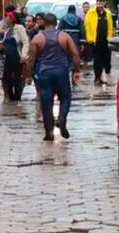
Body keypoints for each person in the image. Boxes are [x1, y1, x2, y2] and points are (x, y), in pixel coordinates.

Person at [26, 13, 81, 141]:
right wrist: (77, 70)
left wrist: (28, 76)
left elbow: (31, 59)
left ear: (43, 23)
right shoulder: (64, 36)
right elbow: (75, 54)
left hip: (44, 72)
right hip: (61, 71)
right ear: (56, 23)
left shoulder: (37, 38)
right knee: (66, 97)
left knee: (46, 100)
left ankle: (49, 132)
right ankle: (62, 118)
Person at [2, 10, 29, 102]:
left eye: (7, 17)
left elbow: (25, 41)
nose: (5, 19)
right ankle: (10, 96)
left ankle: (17, 97)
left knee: (17, 77)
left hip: (16, 56)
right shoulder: (7, 29)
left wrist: (24, 55)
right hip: (7, 57)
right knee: (7, 77)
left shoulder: (19, 28)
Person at [85, 0, 114, 85]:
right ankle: (97, 77)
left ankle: (101, 75)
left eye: (101, 3)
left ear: (104, 3)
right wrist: (89, 39)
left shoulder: (107, 13)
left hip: (105, 41)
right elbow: (87, 26)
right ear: (96, 3)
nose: (100, 5)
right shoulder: (91, 12)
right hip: (95, 41)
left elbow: (110, 26)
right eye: (99, 3)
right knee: (97, 60)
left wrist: (110, 38)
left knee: (104, 59)